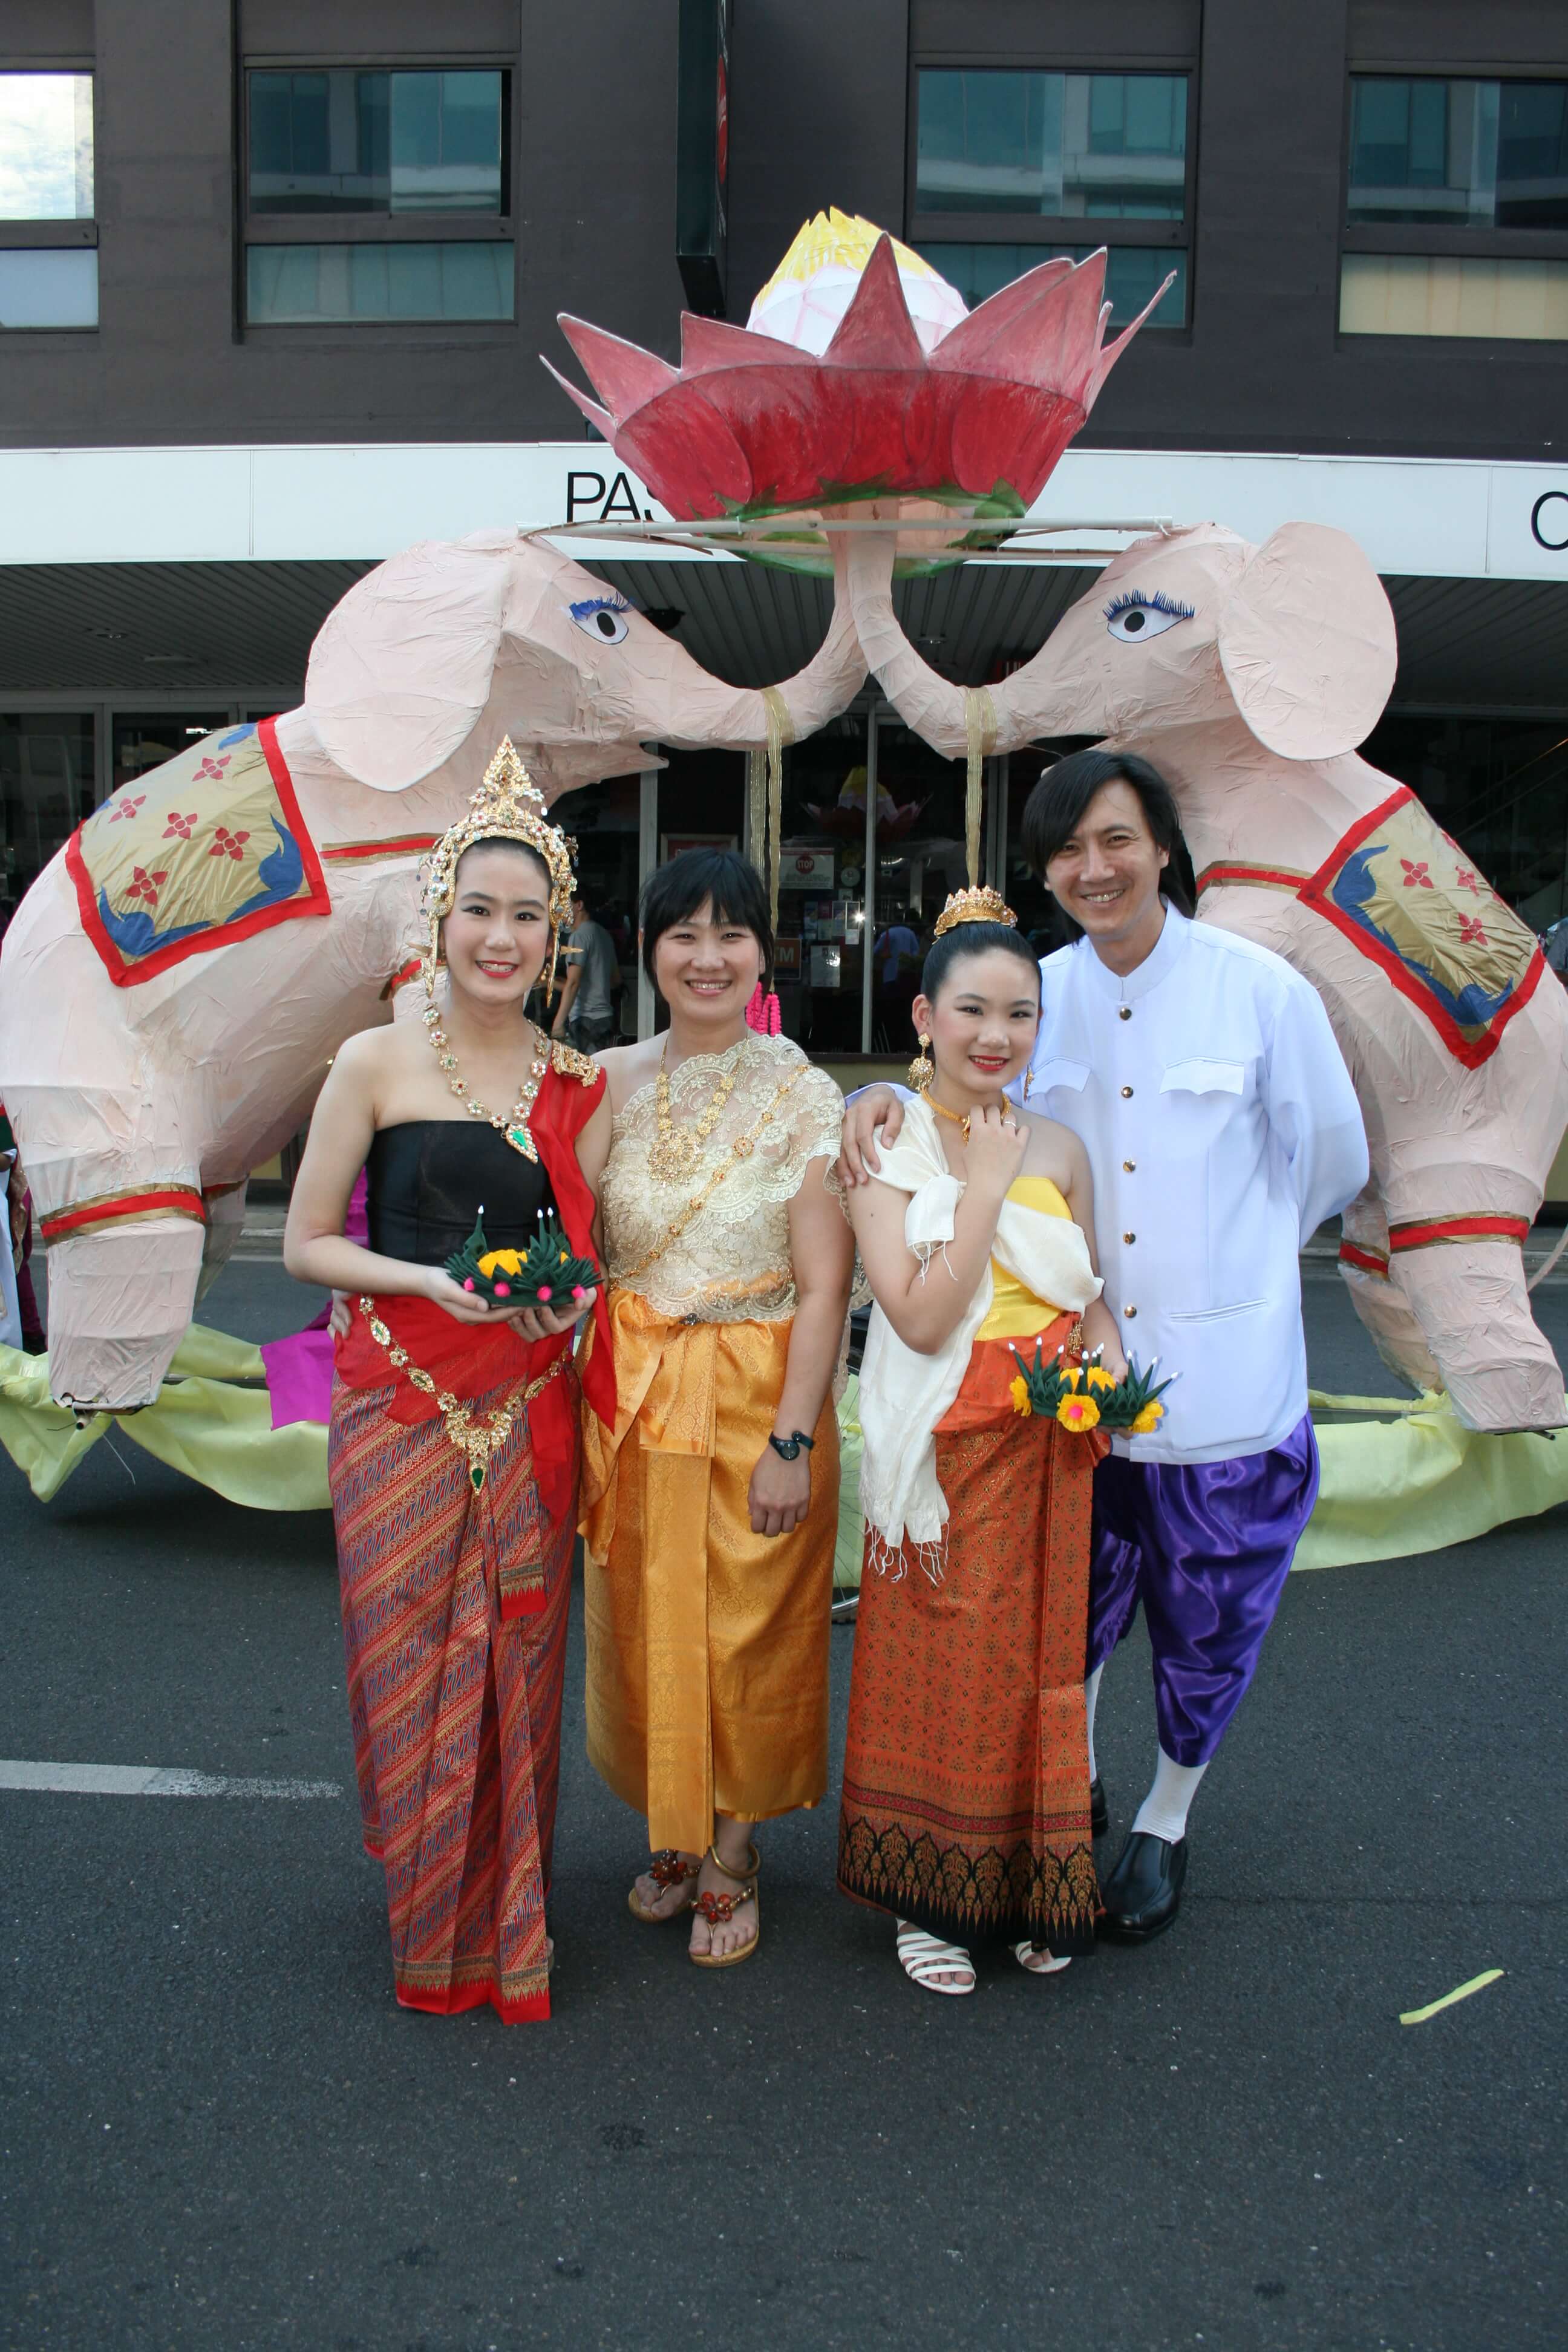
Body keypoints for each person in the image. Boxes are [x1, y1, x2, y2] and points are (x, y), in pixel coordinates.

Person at [840, 750, 1368, 1944]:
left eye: (1117, 839)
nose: (1096, 868)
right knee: (1056, 1625)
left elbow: (1329, 1160)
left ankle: (1168, 1820)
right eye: (1070, 850)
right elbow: (959, 1089)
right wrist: (858, 1101)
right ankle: (1062, 1805)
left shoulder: (1260, 991)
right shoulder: (1041, 989)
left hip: (1222, 1383)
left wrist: (1235, 1274)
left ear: (1166, 847)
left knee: (1209, 1623)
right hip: (1059, 1395)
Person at [284, 740, 614, 2024]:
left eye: (527, 915)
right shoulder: (375, 1060)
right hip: (400, 1406)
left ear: (556, 934)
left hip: (526, 1405)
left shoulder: (573, 1081)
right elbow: (311, 1240)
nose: (501, 935)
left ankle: (509, 1924)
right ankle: (429, 1915)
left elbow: (590, 1251)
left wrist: (561, 1295)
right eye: (479, 908)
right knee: (404, 1662)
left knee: (521, 1674)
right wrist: (422, 1284)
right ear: (442, 916)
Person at [839, 885, 1126, 1995]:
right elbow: (912, 1314)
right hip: (946, 1443)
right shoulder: (881, 1139)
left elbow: (1090, 1293)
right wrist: (986, 1184)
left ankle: (1027, 1884)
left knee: (1042, 1667)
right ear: (922, 1018)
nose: (994, 1035)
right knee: (944, 1665)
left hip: (1051, 1442)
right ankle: (929, 1899)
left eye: (1019, 1013)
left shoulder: (1060, 1145)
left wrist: (1103, 1367)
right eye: (970, 1009)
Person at [580, 848, 855, 1968]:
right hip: (634, 1396)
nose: (706, 955)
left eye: (729, 934)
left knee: (750, 1625)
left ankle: (736, 1848)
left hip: (758, 1396)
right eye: (682, 933)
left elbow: (826, 1282)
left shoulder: (803, 1092)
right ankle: (677, 1823)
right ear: (648, 948)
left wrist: (793, 1437)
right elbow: (554, 1237)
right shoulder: (599, 1080)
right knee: (647, 1621)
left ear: (760, 953)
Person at [551, 887, 621, 1053]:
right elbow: (615, 980)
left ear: (579, 905)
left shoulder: (579, 936)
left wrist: (558, 1023)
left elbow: (574, 983)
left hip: (585, 1021)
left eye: (566, 904)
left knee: (584, 1075)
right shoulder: (603, 935)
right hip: (605, 1018)